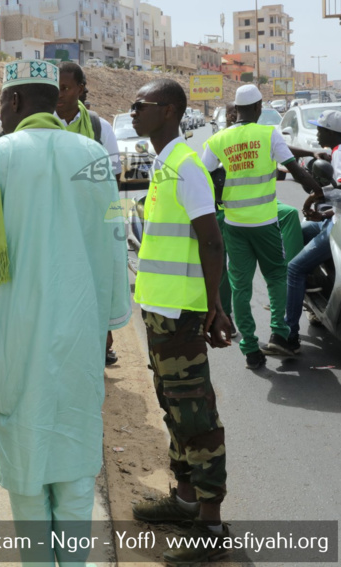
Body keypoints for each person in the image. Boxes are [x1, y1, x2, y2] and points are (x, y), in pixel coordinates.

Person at [0, 59, 130, 565]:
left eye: (3, 103)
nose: (1, 114)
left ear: (16, 101)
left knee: (25, 469)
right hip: (81, 329)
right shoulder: (93, 156)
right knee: (75, 461)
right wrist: (110, 320)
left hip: (12, 332)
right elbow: (115, 243)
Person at [129, 78, 233, 566]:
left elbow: (211, 240)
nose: (133, 111)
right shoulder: (163, 163)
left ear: (168, 110)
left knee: (195, 415)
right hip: (160, 312)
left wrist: (214, 306)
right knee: (173, 408)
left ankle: (210, 525)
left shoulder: (187, 166)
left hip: (181, 315)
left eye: (140, 105)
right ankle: (186, 500)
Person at [201, 85, 321, 370]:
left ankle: (250, 349)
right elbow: (295, 169)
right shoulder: (269, 134)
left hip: (234, 224)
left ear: (237, 109)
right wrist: (318, 191)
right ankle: (279, 332)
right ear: (257, 107)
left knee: (240, 286)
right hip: (265, 224)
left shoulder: (218, 139)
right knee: (277, 276)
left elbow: (204, 174)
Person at [209, 102, 308, 328]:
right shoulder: (221, 140)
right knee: (228, 272)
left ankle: (294, 275)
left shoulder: (254, 135)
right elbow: (205, 172)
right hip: (229, 213)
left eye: (235, 111)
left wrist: (309, 154)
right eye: (230, 112)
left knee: (290, 214)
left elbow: (281, 150)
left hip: (251, 211)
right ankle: (226, 316)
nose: (233, 115)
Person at [284, 109, 341, 353]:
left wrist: (313, 198)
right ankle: (316, 289)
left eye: (320, 130)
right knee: (299, 231)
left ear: (331, 132)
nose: (317, 134)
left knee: (294, 268)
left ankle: (289, 334)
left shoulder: (340, 153)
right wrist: (324, 214)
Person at [57, 60, 123, 366]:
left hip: (91, 225)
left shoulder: (99, 127)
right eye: (55, 88)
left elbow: (113, 177)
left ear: (81, 89)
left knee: (95, 286)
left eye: (66, 87)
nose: (59, 94)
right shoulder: (41, 124)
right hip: (54, 224)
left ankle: (100, 343)